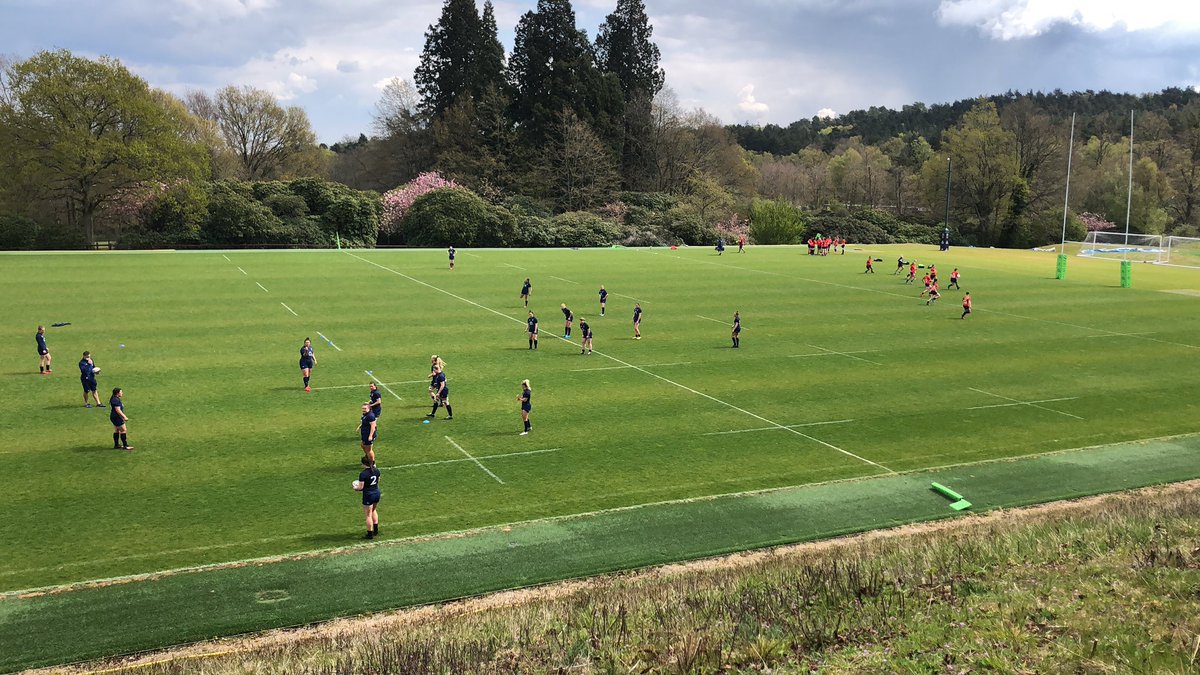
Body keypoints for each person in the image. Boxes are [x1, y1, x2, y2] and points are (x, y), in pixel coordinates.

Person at [353, 455, 381, 539]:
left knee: (368, 515)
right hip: (376, 492)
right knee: (374, 510)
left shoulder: (363, 474)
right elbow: (378, 481)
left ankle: (370, 534)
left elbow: (361, 487)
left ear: (363, 464)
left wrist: (355, 488)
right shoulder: (376, 470)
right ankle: (375, 530)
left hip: (369, 495)